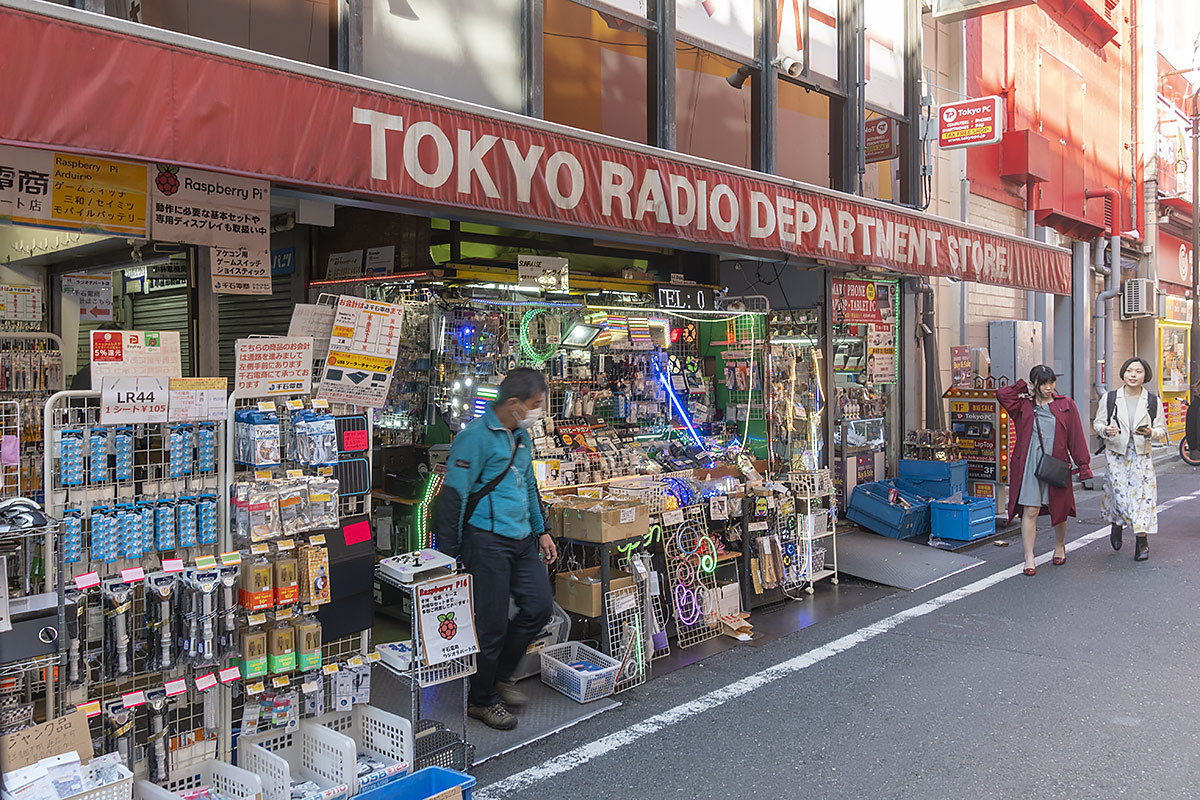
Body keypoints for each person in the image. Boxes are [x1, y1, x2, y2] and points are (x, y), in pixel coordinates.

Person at [433, 368, 557, 731]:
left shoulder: (521, 436)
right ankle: (482, 699)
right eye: (535, 405)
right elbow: (453, 498)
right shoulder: (474, 438)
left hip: (520, 539)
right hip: (484, 541)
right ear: (514, 403)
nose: (539, 411)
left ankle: (500, 676)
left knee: (538, 606)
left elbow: (528, 485)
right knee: (489, 625)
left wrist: (542, 530)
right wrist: (449, 555)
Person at [997, 365, 1093, 575]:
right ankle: (1029, 556)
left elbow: (1075, 437)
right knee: (1030, 510)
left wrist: (1083, 466)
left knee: (1060, 508)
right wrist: (1024, 387)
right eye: (1044, 384)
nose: (1049, 387)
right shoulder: (1023, 405)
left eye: (1052, 382)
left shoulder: (1065, 405)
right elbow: (1002, 394)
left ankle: (1059, 546)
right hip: (1029, 462)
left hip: (1056, 462)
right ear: (1035, 385)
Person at [1093, 357, 1166, 562]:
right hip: (1116, 453)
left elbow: (1161, 429)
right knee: (1120, 495)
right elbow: (1098, 424)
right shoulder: (1110, 398)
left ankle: (1141, 540)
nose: (1133, 375)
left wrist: (1151, 432)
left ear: (1145, 375)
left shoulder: (1152, 400)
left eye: (1139, 371)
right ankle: (1117, 523)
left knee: (1143, 497)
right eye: (1130, 371)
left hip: (1141, 454)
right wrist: (1106, 430)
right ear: (1123, 373)